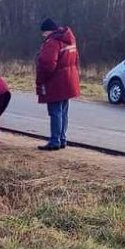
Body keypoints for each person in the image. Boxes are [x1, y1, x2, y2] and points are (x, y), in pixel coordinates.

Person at [35, 18, 80, 151]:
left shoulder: (52, 43)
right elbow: (76, 60)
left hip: (56, 82)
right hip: (69, 80)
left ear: (48, 31)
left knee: (55, 112)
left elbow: (47, 65)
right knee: (63, 111)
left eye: (43, 33)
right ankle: (62, 138)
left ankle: (55, 141)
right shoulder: (69, 40)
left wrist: (41, 80)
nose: (42, 36)